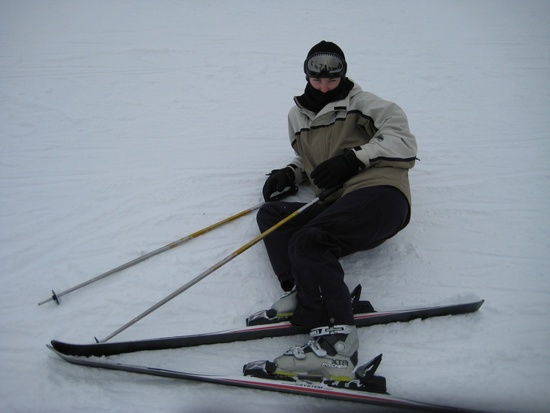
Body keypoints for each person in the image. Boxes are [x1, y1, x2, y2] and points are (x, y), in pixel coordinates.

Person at [255, 40, 417, 381]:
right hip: (339, 203)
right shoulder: (296, 117)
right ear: (307, 76)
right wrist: (292, 173)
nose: (325, 86)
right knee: (272, 218)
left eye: (332, 79)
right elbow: (311, 159)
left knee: (310, 239)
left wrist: (354, 159)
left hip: (380, 193)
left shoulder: (366, 104)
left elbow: (403, 141)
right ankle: (306, 292)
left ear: (343, 75)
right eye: (317, 79)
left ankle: (337, 346)